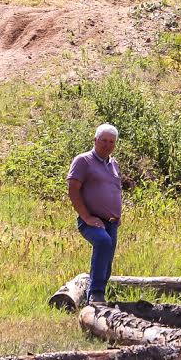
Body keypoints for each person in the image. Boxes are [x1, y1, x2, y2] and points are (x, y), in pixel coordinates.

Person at [67, 123, 123, 304]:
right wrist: (86, 216)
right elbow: (73, 188)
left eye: (111, 142)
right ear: (95, 140)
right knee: (103, 241)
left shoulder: (113, 164)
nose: (107, 145)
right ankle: (96, 294)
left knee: (106, 263)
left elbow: (114, 189)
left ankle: (99, 298)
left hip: (111, 222)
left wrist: (117, 214)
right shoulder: (83, 161)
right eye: (103, 140)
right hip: (91, 221)